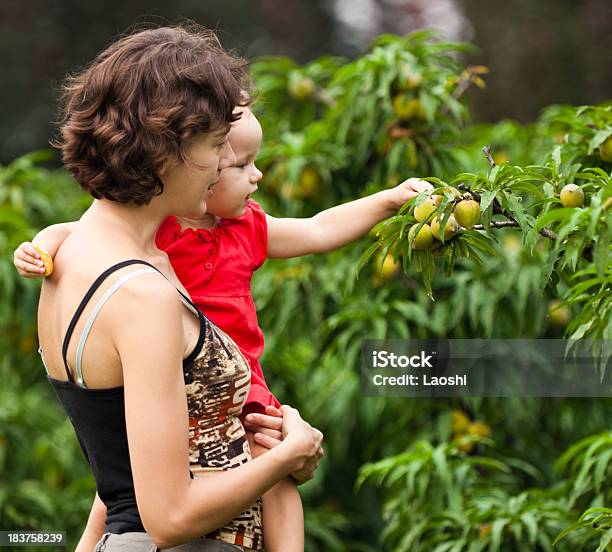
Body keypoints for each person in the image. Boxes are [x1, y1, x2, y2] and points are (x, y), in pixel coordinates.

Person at [16, 106, 432, 551]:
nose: (254, 177)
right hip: (186, 380)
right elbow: (74, 230)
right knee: (139, 479)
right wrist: (39, 248)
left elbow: (317, 227)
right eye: (234, 161)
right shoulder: (160, 230)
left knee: (274, 475)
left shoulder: (244, 229)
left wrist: (388, 200)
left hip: (236, 381)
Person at [26, 24, 324, 552]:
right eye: (215, 146)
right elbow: (168, 517)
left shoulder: (69, 258)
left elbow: (119, 468)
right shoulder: (142, 295)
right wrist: (288, 454)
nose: (219, 165)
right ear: (173, 148)